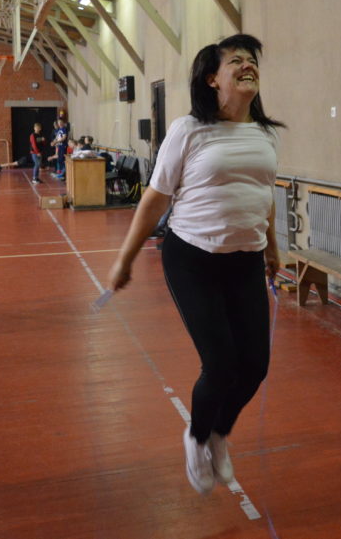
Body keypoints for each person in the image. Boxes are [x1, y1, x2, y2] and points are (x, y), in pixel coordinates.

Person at [106, 34, 283, 495]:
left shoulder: (264, 134)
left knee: (255, 365)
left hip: (245, 260)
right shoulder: (189, 130)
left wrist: (272, 248)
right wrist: (125, 258)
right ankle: (197, 437)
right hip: (193, 260)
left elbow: (265, 195)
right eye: (235, 61)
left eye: (251, 60)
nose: (247, 65)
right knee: (220, 365)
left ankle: (219, 435)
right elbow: (154, 199)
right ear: (212, 79)